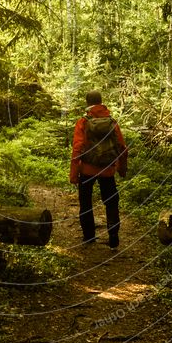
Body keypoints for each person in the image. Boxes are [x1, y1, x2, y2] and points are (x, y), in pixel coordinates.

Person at [69, 91, 128, 249]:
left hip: (87, 170)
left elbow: (77, 149)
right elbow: (122, 148)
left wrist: (74, 174)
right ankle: (113, 234)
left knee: (86, 202)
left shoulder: (83, 122)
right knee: (111, 202)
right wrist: (122, 169)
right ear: (101, 102)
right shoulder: (112, 122)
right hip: (108, 169)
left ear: (87, 103)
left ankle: (89, 237)